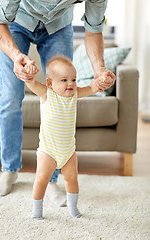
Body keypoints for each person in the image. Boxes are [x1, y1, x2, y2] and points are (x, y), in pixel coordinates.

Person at [0, 0, 115, 204]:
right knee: (11, 96)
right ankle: (9, 170)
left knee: (63, 98)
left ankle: (51, 179)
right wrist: (16, 56)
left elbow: (94, 29)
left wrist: (100, 70)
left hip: (57, 25)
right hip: (15, 21)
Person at [25, 55, 112, 219]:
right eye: (64, 80)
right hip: (48, 151)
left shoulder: (74, 94)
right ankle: (36, 211)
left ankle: (73, 208)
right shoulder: (47, 93)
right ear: (50, 83)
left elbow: (92, 88)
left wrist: (101, 80)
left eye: (73, 79)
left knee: (72, 179)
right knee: (42, 179)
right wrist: (29, 76)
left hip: (69, 151)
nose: (71, 83)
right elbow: (32, 84)